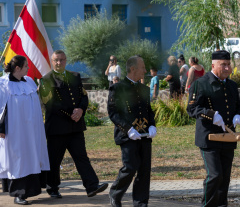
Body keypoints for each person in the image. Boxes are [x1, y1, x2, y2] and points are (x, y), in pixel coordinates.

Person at [39, 50, 108, 199]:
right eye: (56, 60)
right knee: (54, 160)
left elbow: (83, 96)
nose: (59, 63)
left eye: (62, 60)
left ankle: (91, 186)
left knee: (81, 157)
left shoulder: (75, 76)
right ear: (52, 61)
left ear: (66, 60)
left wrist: (81, 110)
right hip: (57, 128)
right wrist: (72, 113)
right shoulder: (46, 80)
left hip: (75, 127)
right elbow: (50, 104)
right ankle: (53, 188)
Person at [187, 50, 240, 207]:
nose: (227, 68)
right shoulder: (201, 84)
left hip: (228, 138)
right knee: (215, 175)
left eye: (228, 65)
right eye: (223, 65)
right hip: (209, 138)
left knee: (225, 177)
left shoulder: (232, 85)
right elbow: (192, 109)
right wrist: (210, 114)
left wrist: (239, 116)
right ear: (213, 65)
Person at [0, 55, 50, 205]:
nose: (28, 68)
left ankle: (31, 190)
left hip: (33, 130)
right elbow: (1, 108)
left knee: (33, 156)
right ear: (17, 68)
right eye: (26, 66)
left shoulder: (28, 81)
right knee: (19, 159)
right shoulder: (3, 84)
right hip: (16, 130)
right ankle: (18, 194)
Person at [108, 56, 157, 207]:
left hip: (144, 135)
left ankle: (141, 202)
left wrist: (152, 125)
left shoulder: (144, 89)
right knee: (130, 166)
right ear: (133, 69)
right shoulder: (118, 88)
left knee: (144, 170)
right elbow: (113, 113)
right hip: (127, 135)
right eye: (142, 67)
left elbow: (148, 111)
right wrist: (128, 129)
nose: (145, 70)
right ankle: (115, 193)